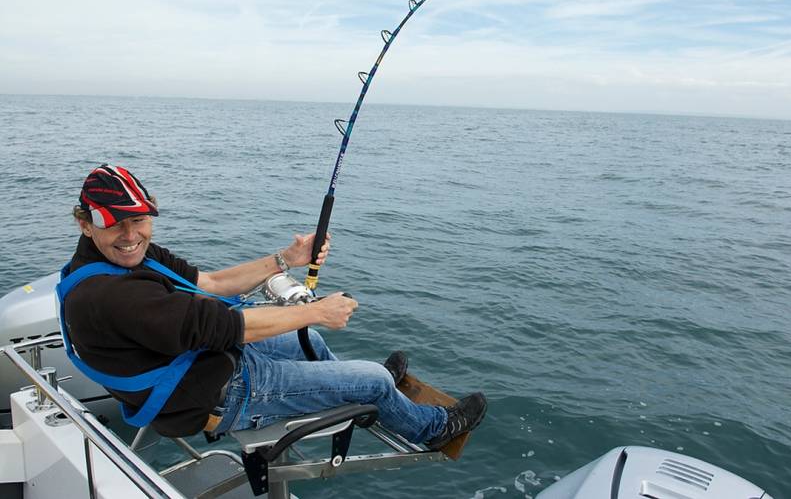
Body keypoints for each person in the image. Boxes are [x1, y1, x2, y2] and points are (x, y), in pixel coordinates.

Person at [61, 164, 486, 449]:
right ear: (85, 222)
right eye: (112, 222)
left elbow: (211, 283)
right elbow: (228, 327)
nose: (129, 233)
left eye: (139, 219)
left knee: (312, 342)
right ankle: (430, 428)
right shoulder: (110, 295)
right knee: (373, 378)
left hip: (191, 363)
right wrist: (314, 309)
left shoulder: (126, 257)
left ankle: (350, 391)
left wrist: (288, 258)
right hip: (209, 395)